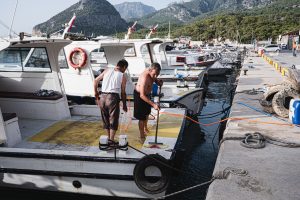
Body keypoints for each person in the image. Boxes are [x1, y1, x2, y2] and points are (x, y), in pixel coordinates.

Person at [94, 59, 128, 143]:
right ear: (124, 67)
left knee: (105, 119)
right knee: (113, 119)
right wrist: (124, 105)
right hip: (112, 98)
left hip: (102, 97)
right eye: (125, 68)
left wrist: (96, 94)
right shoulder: (122, 75)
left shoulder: (107, 70)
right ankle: (111, 141)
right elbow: (123, 92)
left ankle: (109, 138)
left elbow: (95, 81)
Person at [134, 63, 163, 143]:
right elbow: (142, 95)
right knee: (142, 117)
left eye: (157, 75)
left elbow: (154, 78)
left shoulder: (152, 73)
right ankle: (142, 136)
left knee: (147, 113)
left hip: (147, 94)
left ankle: (145, 128)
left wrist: (158, 82)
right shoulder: (144, 77)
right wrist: (153, 104)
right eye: (154, 74)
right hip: (140, 96)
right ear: (150, 70)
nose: (155, 76)